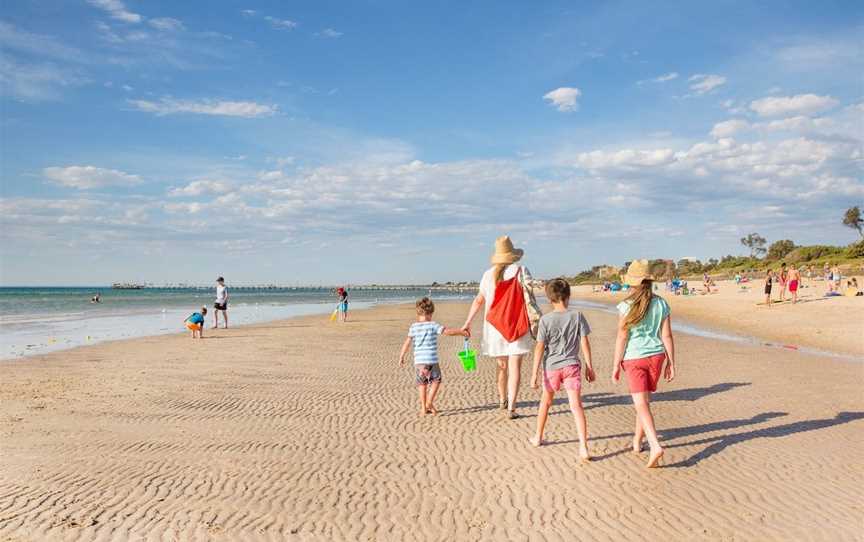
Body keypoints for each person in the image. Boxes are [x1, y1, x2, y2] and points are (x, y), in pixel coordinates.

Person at [462, 236, 536, 420]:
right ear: (512, 254)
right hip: (516, 324)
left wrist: (468, 322)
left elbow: (479, 300)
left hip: (495, 327)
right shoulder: (521, 270)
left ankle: (502, 398)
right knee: (514, 367)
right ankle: (512, 407)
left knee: (501, 365)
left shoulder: (488, 274)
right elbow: (529, 295)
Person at [612, 260, 676, 468]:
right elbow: (666, 335)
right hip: (657, 356)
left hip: (634, 358)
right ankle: (637, 442)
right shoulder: (661, 304)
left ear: (633, 283)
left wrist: (615, 365)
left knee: (640, 403)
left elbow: (622, 337)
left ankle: (654, 444)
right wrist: (671, 362)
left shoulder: (626, 305)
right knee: (644, 402)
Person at [529, 279, 595, 461]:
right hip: (572, 366)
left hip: (552, 368)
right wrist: (589, 367)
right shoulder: (577, 316)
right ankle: (583, 446)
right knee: (576, 406)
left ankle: (538, 437)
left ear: (550, 298)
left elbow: (539, 348)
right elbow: (585, 343)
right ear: (568, 296)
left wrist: (534, 374)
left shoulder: (545, 320)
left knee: (546, 403)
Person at [398, 297, 468, 416]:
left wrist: (401, 356)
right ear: (430, 313)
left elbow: (407, 342)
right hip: (431, 360)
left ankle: (423, 408)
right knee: (436, 381)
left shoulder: (413, 327)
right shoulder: (433, 325)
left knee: (422, 384)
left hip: (419, 362)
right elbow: (447, 332)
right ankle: (429, 402)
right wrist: (461, 332)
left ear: (418, 312)